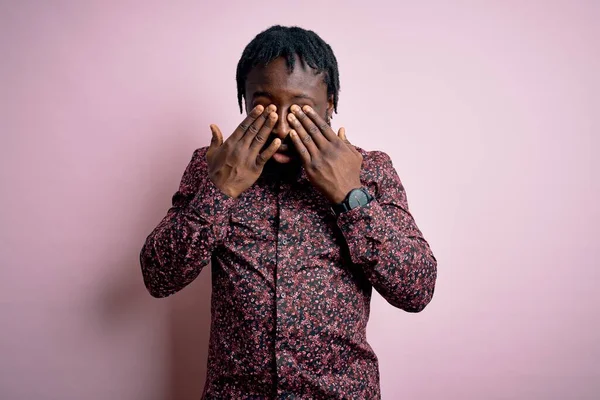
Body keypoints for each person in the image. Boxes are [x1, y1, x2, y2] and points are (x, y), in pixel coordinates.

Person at [140, 25, 437, 399]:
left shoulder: (371, 170)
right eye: (263, 105)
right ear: (244, 101)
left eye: (300, 109)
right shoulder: (213, 166)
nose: (280, 125)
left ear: (330, 103)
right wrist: (221, 190)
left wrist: (351, 195)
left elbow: (417, 289)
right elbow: (158, 276)